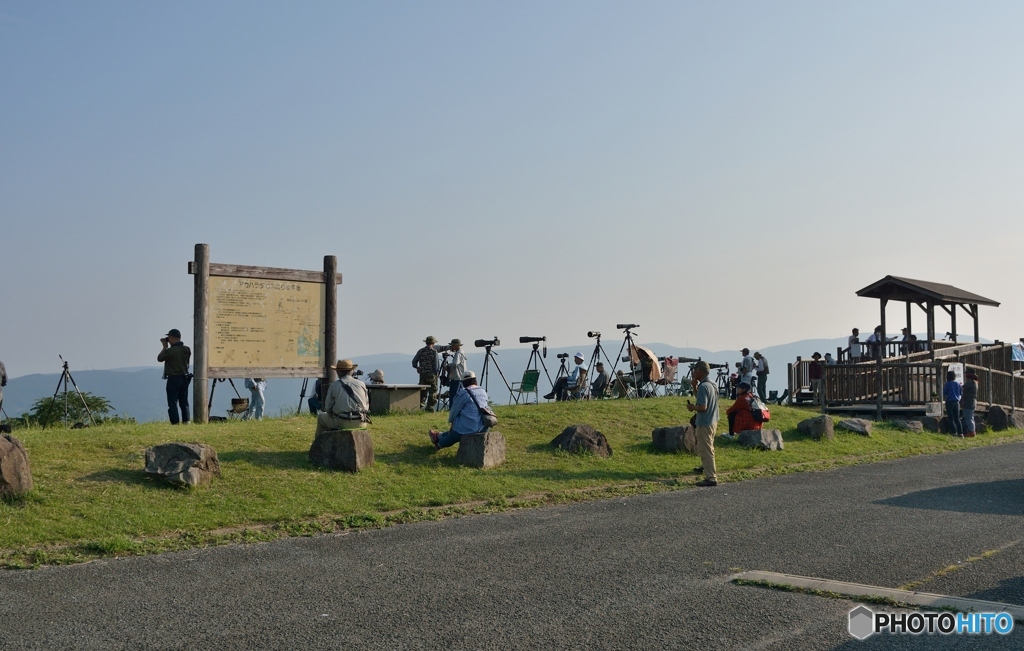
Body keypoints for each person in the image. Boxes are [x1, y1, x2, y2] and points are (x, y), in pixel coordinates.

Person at [429, 371, 491, 450]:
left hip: (467, 428)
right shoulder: (483, 392)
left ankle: (439, 444)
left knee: (454, 435)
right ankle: (438, 435)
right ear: (475, 380)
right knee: (457, 430)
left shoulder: (463, 394)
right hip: (482, 426)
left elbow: (454, 410)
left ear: (463, 382)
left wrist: (451, 421)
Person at [315, 359, 369, 437]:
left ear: (338, 372)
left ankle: (319, 445)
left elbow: (328, 408)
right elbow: (366, 407)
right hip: (361, 422)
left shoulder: (334, 385)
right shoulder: (361, 384)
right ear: (352, 371)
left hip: (342, 422)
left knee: (321, 418)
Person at [687, 361, 720, 487]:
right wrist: (694, 387)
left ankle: (711, 477)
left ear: (700, 371)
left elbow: (702, 406)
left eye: (694, 370)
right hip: (713, 420)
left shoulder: (703, 387)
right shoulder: (712, 384)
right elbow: (702, 398)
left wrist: (692, 408)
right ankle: (705, 467)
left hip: (705, 422)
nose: (693, 372)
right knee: (708, 447)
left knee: (706, 449)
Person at [158, 328, 192, 425]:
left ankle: (175, 422)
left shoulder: (171, 351)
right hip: (184, 378)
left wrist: (165, 347)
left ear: (172, 337)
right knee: (184, 401)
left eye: (169, 337)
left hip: (173, 379)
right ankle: (187, 421)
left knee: (172, 402)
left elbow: (160, 358)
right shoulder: (187, 349)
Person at [412, 336, 439, 411]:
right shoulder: (434, 352)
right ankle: (429, 407)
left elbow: (414, 362)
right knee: (432, 391)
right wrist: (436, 373)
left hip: (422, 374)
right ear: (433, 343)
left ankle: (420, 405)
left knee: (423, 391)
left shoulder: (420, 351)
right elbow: (436, 365)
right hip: (432, 374)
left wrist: (417, 367)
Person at [445, 339, 468, 403]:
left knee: (454, 394)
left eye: (452, 345)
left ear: (455, 346)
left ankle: (452, 408)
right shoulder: (462, 352)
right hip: (461, 376)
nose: (451, 347)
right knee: (460, 393)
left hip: (457, 376)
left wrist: (447, 366)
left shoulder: (458, 353)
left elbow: (455, 363)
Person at [943, 370, 964, 437]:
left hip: (949, 401)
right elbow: (961, 393)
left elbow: (944, 392)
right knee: (957, 418)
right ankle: (960, 433)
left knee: (951, 418)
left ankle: (954, 432)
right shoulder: (957, 384)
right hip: (956, 402)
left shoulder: (947, 384)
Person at [962, 371, 978, 437]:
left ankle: (971, 432)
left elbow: (962, 388)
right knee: (970, 417)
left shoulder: (970, 382)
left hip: (969, 402)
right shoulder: (975, 382)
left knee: (968, 418)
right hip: (972, 402)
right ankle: (970, 431)